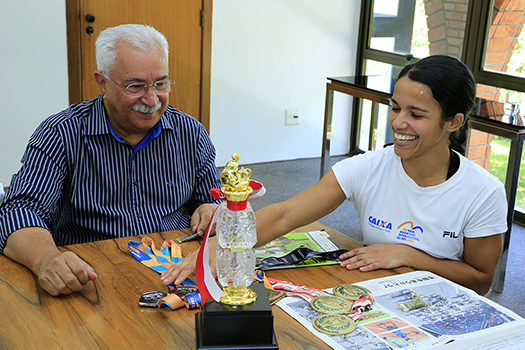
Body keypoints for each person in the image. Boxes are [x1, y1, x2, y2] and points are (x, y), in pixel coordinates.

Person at [162, 55, 507, 295]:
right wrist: (216, 250)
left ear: (453, 122)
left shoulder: (483, 192)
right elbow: (285, 214)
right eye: (395, 108)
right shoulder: (368, 167)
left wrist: (408, 255)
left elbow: (480, 281)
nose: (399, 123)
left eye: (416, 114)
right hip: (379, 295)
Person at [0, 24, 220, 296]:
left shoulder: (190, 132)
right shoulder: (61, 134)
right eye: (135, 86)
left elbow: (214, 200)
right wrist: (46, 258)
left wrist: (212, 208)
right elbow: (19, 211)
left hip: (178, 273)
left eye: (160, 83)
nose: (151, 99)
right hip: (92, 276)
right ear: (102, 81)